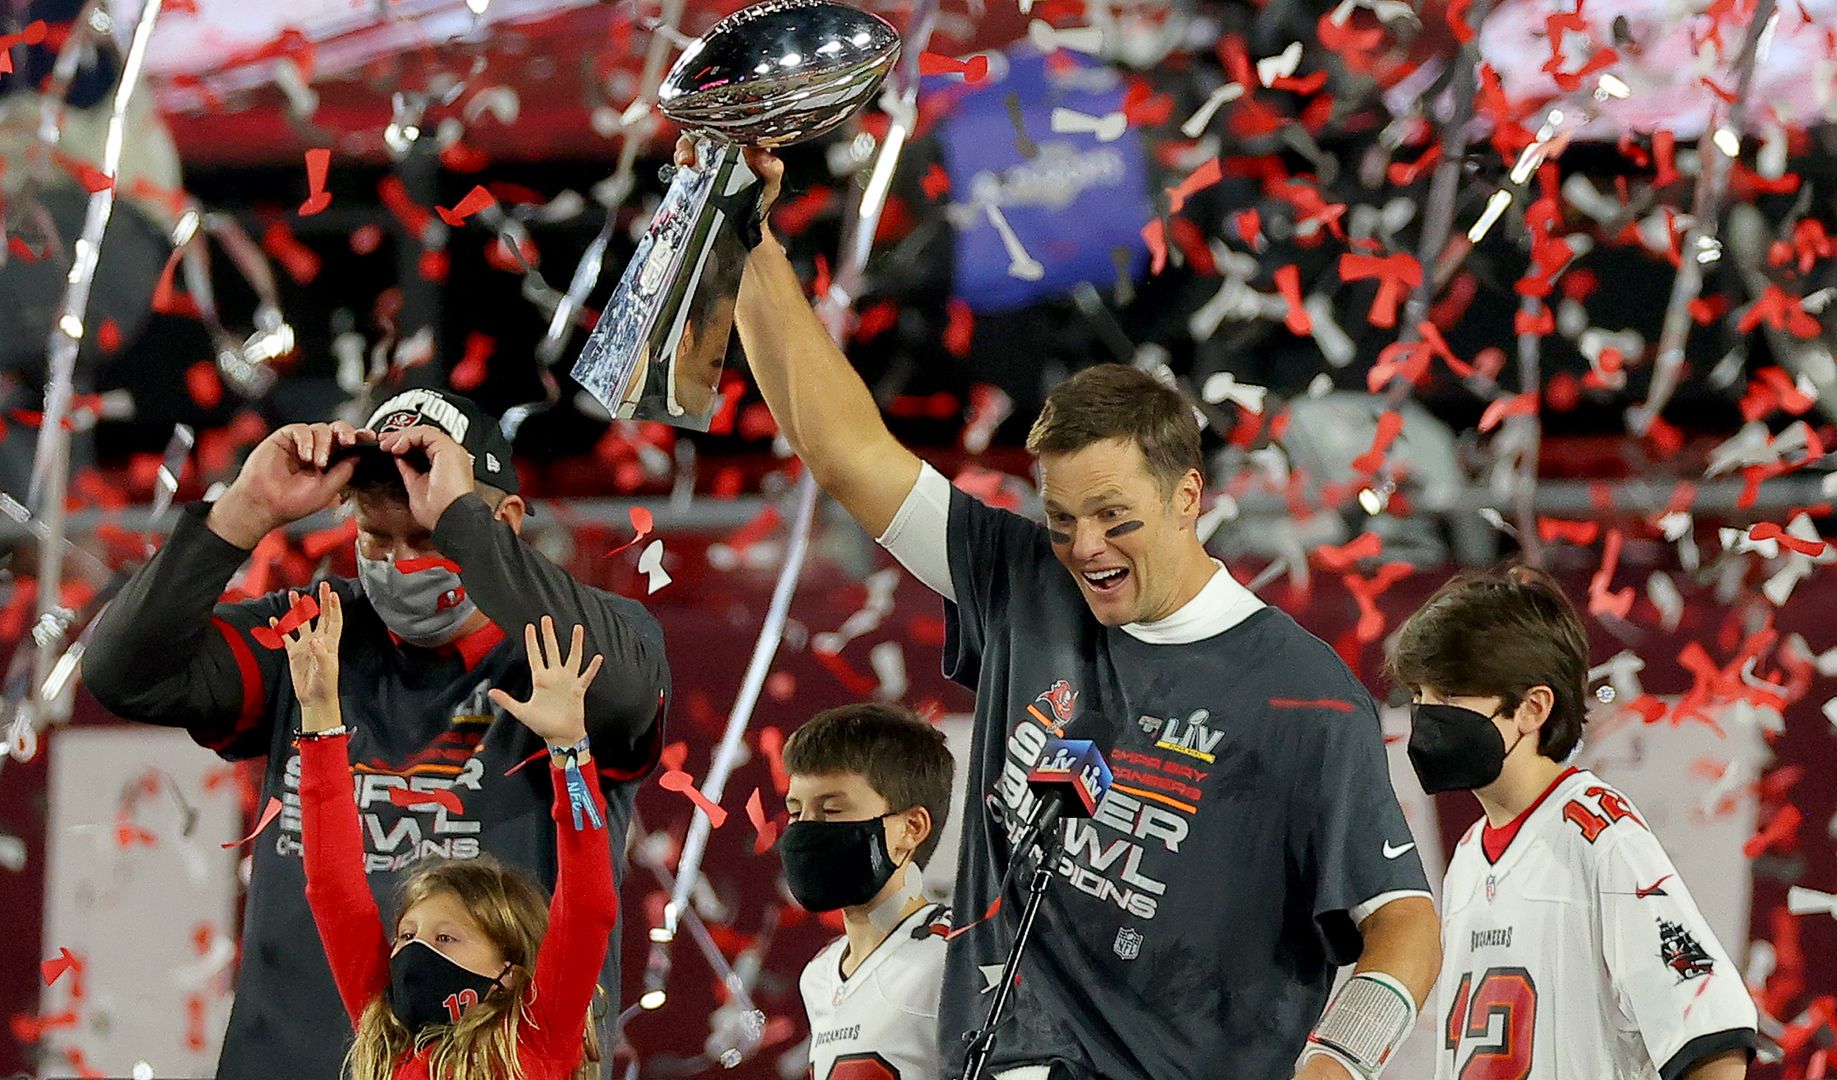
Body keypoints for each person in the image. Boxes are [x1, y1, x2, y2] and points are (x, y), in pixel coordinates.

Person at [685, 135, 1443, 1080]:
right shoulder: (1021, 582)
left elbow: (1403, 920)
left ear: (1188, 497)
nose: (1085, 548)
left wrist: (1339, 1061)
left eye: (1116, 518)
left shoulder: (1301, 693)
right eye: (1062, 519)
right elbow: (841, 447)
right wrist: (747, 238)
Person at [81, 388, 669, 1080]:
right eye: (375, 536)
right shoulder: (314, 635)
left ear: (503, 519)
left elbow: (622, 693)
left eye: (427, 537)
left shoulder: (579, 648)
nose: (400, 563)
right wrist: (244, 512)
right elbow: (123, 672)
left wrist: (463, 524)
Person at [1385, 567, 1759, 1080]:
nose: (1426, 718)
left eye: (1448, 696)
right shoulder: (1471, 856)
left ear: (1532, 708)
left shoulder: (1602, 837)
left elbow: (1710, 1034)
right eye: (1419, 697)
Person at [289, 586, 614, 1080]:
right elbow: (333, 889)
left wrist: (570, 751)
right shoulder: (386, 1038)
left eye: (446, 937)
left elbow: (589, 906)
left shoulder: (534, 1039)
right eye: (407, 936)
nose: (417, 952)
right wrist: (318, 716)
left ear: (510, 976)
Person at [778, 704, 956, 1080]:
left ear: (911, 827)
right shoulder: (819, 975)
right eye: (796, 812)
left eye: (831, 810)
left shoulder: (957, 959)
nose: (806, 830)